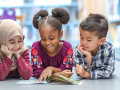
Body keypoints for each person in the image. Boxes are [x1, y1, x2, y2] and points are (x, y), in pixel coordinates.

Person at [31, 8, 74, 82]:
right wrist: (58, 74)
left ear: (60, 34)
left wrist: (51, 69)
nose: (47, 43)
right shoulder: (36, 47)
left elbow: (67, 71)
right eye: (43, 39)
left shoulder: (67, 47)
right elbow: (37, 71)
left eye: (51, 38)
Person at [74, 13, 115, 79]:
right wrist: (88, 58)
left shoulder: (108, 49)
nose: (83, 42)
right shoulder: (79, 50)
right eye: (81, 38)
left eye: (89, 40)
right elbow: (79, 73)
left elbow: (108, 72)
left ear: (101, 41)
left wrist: (87, 74)